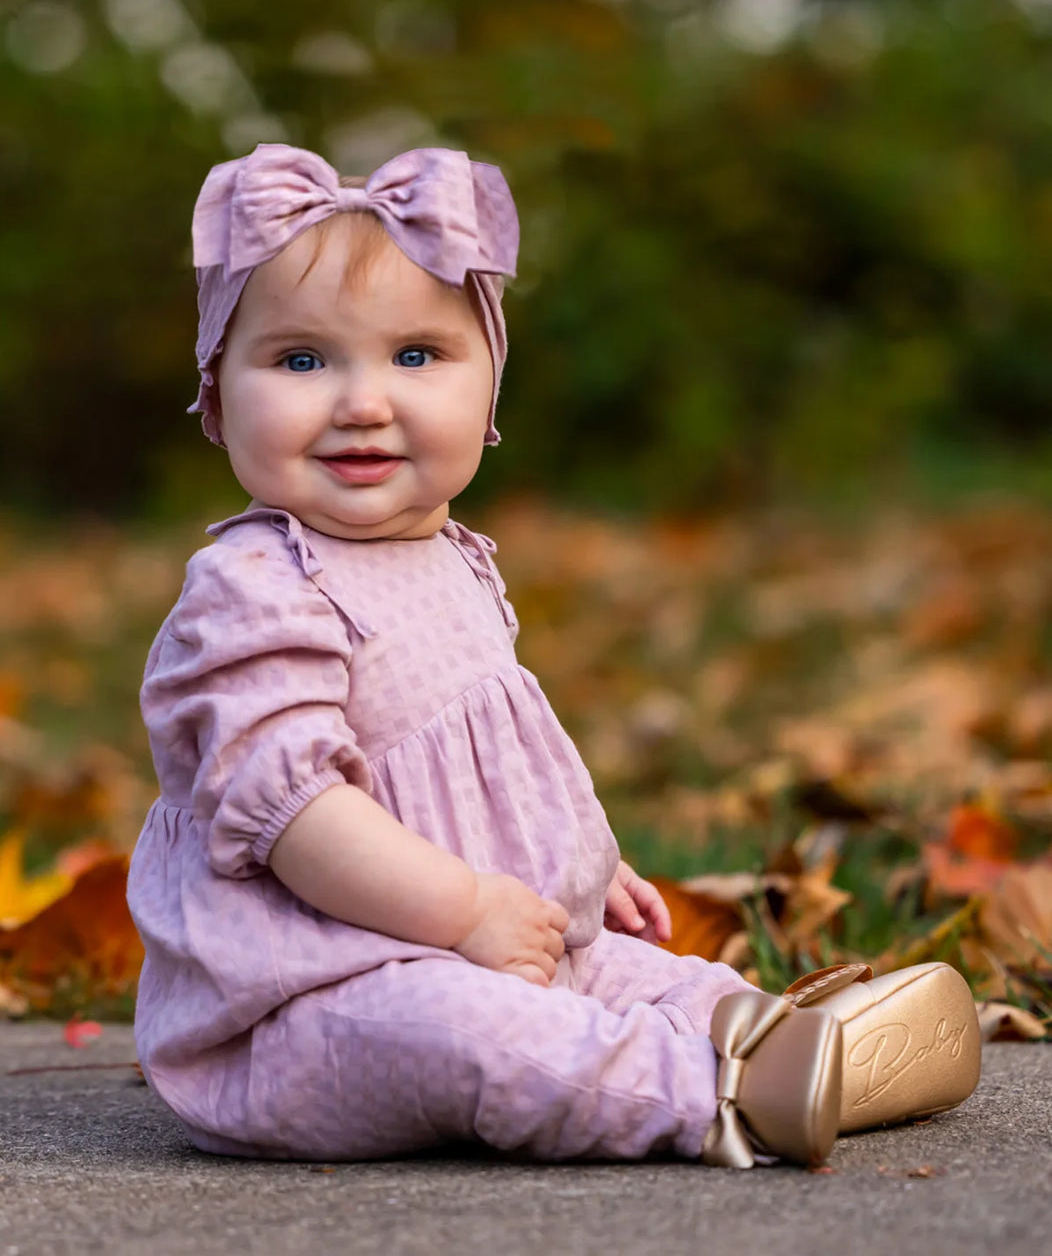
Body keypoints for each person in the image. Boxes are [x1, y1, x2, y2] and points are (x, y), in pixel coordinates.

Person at [126, 144, 980, 1169]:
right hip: (311, 1002)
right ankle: (723, 1087)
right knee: (469, 1036)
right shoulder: (250, 591)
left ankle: (763, 1030)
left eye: (415, 356)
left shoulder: (449, 557)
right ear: (218, 398)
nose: (361, 400)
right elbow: (297, 816)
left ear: (488, 393)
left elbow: (493, 750)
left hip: (496, 945)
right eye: (301, 360)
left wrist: (579, 859)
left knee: (636, 970)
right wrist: (467, 908)